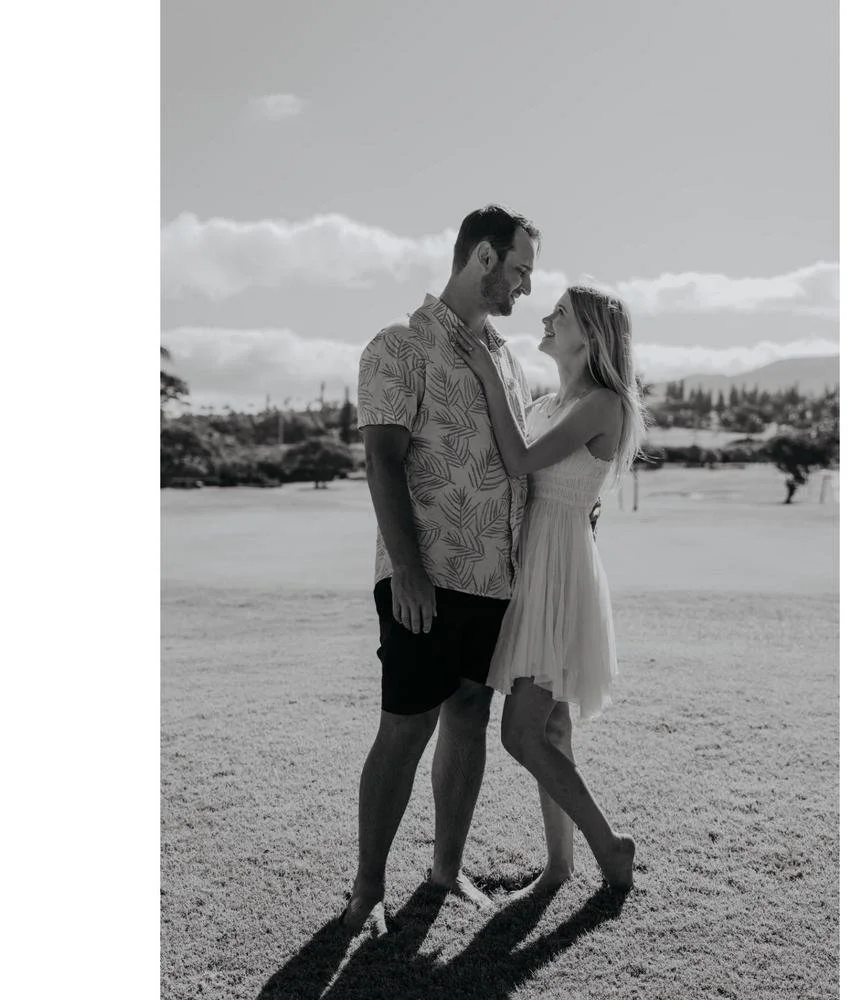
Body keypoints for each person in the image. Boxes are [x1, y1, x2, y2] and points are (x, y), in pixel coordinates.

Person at [340, 205, 541, 932]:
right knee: (406, 723)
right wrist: (408, 571)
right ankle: (367, 892)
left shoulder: (510, 358)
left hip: (497, 579)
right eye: (518, 269)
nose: (524, 286)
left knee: (468, 714)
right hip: (426, 576)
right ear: (482, 258)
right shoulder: (398, 347)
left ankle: (446, 873)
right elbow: (383, 461)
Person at [452, 285, 646, 893]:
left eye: (559, 313)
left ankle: (610, 846)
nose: (546, 317)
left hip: (558, 571)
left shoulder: (603, 403)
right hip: (532, 565)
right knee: (554, 730)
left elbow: (519, 462)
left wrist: (485, 368)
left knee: (520, 732)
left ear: (587, 336)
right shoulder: (544, 402)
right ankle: (559, 867)